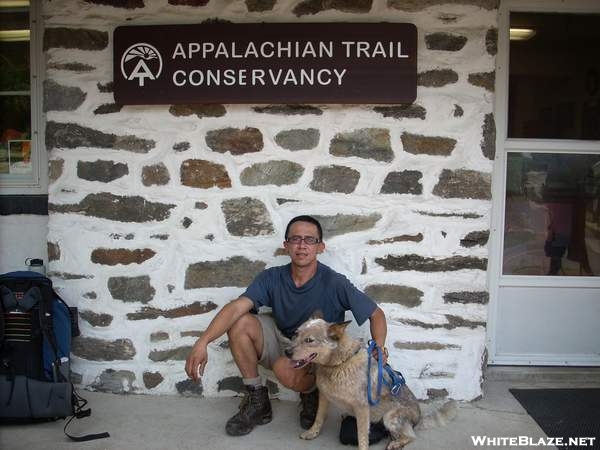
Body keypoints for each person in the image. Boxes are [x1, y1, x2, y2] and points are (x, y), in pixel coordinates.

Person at [185, 215, 388, 436]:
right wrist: (202, 342)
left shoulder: (334, 282)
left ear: (320, 247)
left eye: (310, 240)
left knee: (285, 368)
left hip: (312, 350)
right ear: (286, 246)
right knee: (240, 321)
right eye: (295, 239)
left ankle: (311, 392)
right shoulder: (272, 277)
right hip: (283, 337)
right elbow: (236, 308)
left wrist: (379, 347)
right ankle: (257, 400)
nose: (302, 245)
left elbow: (376, 314)